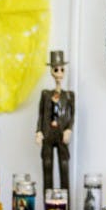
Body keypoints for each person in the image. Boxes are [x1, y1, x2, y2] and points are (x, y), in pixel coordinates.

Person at [36, 50, 75, 196]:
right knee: (47, 167)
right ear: (52, 71)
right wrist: (38, 131)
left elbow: (72, 115)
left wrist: (69, 129)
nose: (59, 73)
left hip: (61, 134)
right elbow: (41, 114)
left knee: (64, 168)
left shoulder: (69, 96)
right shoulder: (46, 94)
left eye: (62, 69)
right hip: (48, 134)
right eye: (56, 69)